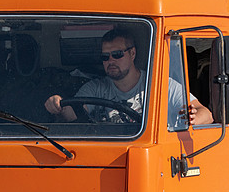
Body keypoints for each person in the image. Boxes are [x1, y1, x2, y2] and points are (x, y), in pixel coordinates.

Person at [45, 27, 213, 126]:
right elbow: (72, 115)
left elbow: (207, 114)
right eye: (105, 56)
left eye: (117, 54)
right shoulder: (95, 88)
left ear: (132, 53)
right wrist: (57, 104)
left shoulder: (160, 85)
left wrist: (193, 118)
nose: (110, 61)